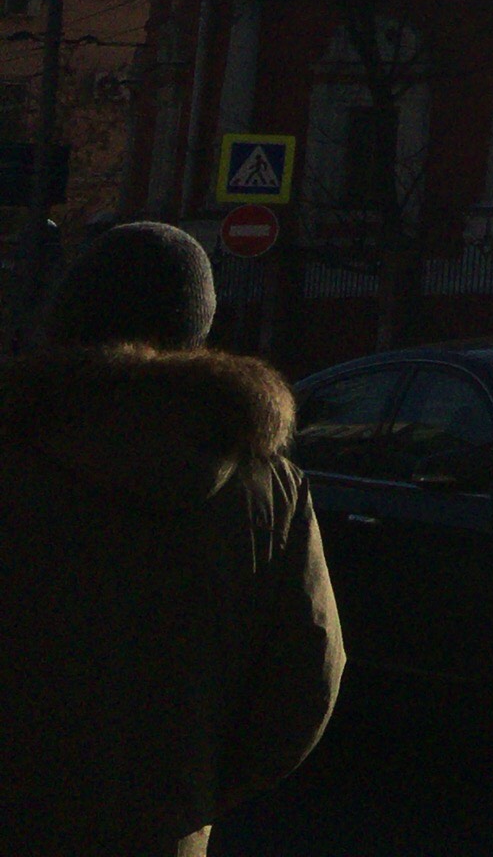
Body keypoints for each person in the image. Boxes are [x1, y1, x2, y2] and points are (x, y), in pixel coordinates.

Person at [0, 222, 342, 856]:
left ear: (68, 319)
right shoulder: (268, 489)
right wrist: (188, 794)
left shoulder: (17, 451)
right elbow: (308, 680)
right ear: (197, 332)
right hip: (159, 831)